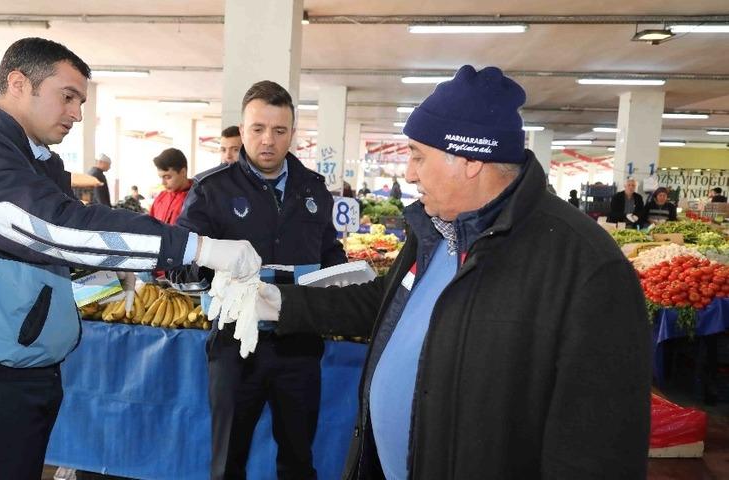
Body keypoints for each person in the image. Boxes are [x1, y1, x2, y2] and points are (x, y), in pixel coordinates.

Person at [255, 65, 651, 479]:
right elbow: (383, 304)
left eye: (418, 156)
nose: (408, 172)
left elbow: (598, 453)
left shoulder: (584, 267)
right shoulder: (437, 230)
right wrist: (281, 303)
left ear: (468, 160)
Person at [0, 37, 261, 480]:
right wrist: (198, 247)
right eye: (68, 97)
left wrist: (115, 269)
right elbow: (54, 229)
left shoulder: (32, 161)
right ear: (19, 84)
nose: (76, 113)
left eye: (81, 101)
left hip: (23, 372)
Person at [177, 80, 347, 480]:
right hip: (236, 344)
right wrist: (212, 265)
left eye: (279, 130)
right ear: (242, 129)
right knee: (228, 461)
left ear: (292, 133)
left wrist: (343, 278)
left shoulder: (314, 189)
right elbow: (180, 261)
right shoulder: (211, 190)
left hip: (300, 344)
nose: (268, 140)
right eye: (257, 129)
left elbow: (329, 251)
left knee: (298, 459)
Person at [149, 147, 192, 225]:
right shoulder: (160, 198)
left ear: (183, 172)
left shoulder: (196, 200)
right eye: (161, 177)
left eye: (167, 177)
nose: (163, 183)